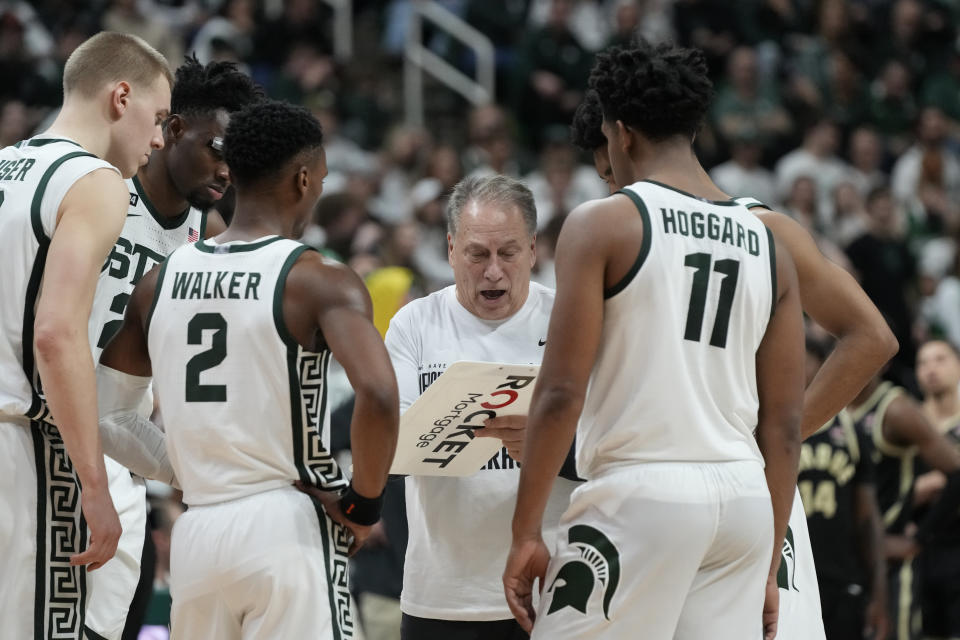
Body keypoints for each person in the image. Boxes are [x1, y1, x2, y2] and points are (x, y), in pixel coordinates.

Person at [569, 57, 899, 640]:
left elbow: (872, 338)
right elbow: (872, 337)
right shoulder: (757, 229)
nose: (614, 186)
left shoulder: (642, 226)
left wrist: (785, 428)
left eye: (608, 172)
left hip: (698, 487)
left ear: (624, 139)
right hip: (739, 495)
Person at [504, 42, 805, 640]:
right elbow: (785, 424)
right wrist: (768, 562)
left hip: (641, 496)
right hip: (744, 502)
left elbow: (560, 392)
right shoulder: (769, 242)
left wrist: (526, 531)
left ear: (620, 133)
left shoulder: (604, 222)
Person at [97, 99, 399, 639]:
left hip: (198, 535)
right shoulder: (317, 279)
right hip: (285, 524)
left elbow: (108, 417)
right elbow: (378, 395)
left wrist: (189, 471)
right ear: (304, 179)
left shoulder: (160, 280)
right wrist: (363, 504)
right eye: (323, 180)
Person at [85, 55, 263, 640]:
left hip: (119, 450)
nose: (227, 170)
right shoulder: (101, 192)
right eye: (217, 148)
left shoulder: (205, 240)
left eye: (237, 160)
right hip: (45, 432)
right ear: (174, 129)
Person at [0, 31, 171, 640]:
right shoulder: (96, 182)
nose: (158, 139)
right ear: (120, 97)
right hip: (29, 451)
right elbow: (54, 333)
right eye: (158, 118)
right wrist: (95, 486)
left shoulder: (5, 166)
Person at [384, 174, 580, 640]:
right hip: (443, 596)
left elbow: (614, 445)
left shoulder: (572, 320)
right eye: (477, 254)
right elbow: (392, 450)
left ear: (533, 250)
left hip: (555, 590)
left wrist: (550, 446)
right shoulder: (414, 323)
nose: (493, 271)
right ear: (451, 248)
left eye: (508, 253)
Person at [848, 367, 960, 640]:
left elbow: (956, 472)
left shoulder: (896, 409)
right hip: (845, 556)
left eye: (940, 360)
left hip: (891, 557)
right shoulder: (833, 403)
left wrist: (919, 539)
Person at [800, 338, 888, 640]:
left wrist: (879, 594)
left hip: (842, 579)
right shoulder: (762, 424)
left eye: (804, 359)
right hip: (790, 577)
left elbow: (867, 518)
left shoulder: (850, 429)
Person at [914, 339, 960, 640]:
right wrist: (920, 488)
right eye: (923, 362)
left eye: (940, 359)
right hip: (920, 547)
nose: (931, 368)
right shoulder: (908, 421)